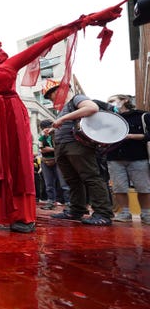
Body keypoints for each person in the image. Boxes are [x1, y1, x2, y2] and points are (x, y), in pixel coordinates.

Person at [0, 0, 124, 232]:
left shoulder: (8, 65)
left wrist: (84, 22)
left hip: (8, 122)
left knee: (15, 166)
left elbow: (45, 42)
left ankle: (24, 216)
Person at [43, 80, 115, 225]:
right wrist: (53, 129)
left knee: (90, 177)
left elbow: (92, 108)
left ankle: (102, 213)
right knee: (72, 180)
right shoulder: (63, 108)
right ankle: (76, 210)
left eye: (51, 95)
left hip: (76, 145)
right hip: (63, 146)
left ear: (60, 90)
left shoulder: (76, 99)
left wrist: (63, 118)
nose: (51, 99)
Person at [105, 94, 150, 224]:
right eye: (109, 101)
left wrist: (131, 136)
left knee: (143, 187)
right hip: (114, 157)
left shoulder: (142, 115)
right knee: (118, 187)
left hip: (138, 157)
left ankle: (146, 214)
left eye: (113, 100)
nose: (111, 103)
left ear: (125, 100)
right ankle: (124, 213)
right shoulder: (110, 119)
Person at [38, 118, 70, 210]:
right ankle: (50, 201)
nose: (45, 129)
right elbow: (42, 149)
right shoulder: (42, 137)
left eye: (47, 127)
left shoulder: (58, 135)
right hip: (45, 161)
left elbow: (60, 148)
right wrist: (52, 149)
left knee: (64, 183)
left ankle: (69, 203)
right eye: (43, 128)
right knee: (49, 184)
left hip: (58, 160)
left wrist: (51, 149)